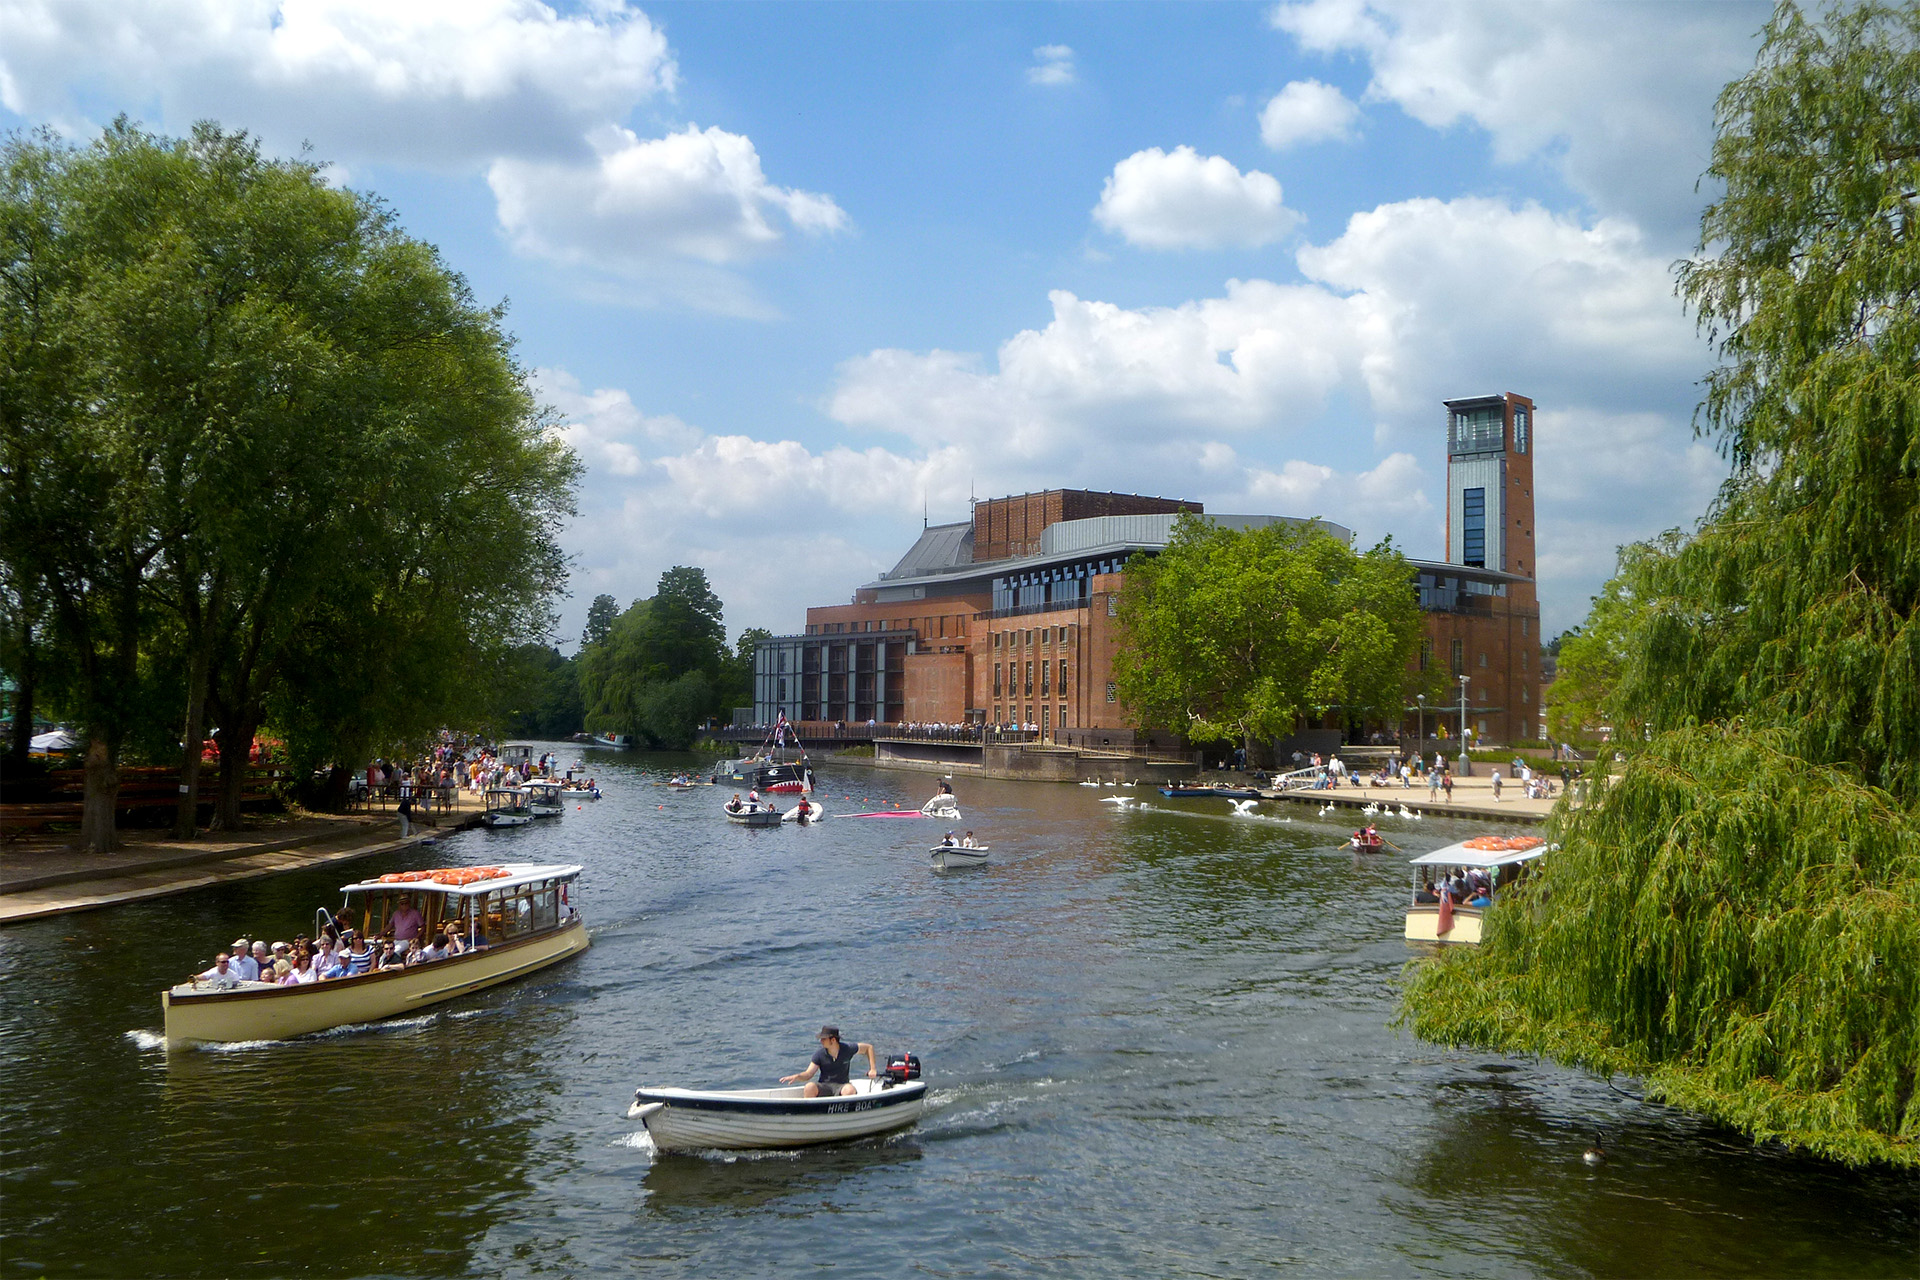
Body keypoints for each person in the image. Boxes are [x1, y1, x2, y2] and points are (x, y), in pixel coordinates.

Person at [781, 1026, 878, 1098]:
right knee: (809, 1087)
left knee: (849, 1090)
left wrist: (872, 1069)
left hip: (842, 1085)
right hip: (824, 1085)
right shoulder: (819, 1054)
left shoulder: (848, 1049)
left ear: (833, 1040)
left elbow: (868, 1048)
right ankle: (812, 1115)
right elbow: (808, 1074)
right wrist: (798, 1076)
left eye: (824, 1039)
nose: (821, 1041)